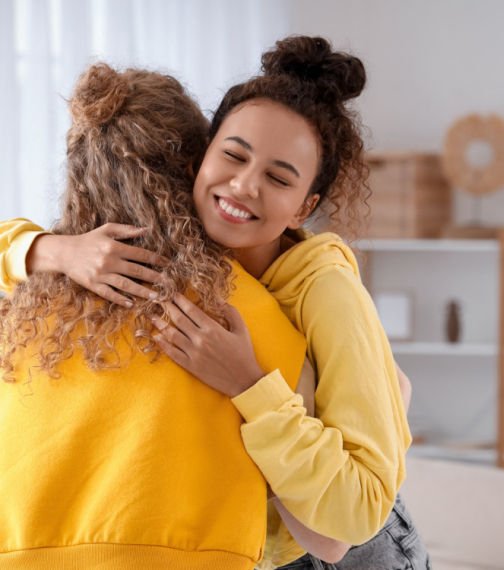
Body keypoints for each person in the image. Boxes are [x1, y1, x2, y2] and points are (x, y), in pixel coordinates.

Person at [1, 36, 429, 569]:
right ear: (196, 159)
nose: (245, 185)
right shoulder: (175, 265)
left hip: (358, 552)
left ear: (305, 207)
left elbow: (350, 522)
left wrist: (248, 385)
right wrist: (54, 249)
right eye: (233, 155)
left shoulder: (324, 292)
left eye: (278, 178)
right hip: (267, 548)